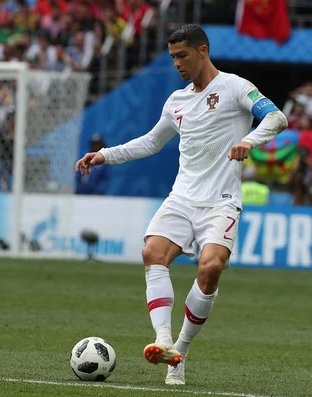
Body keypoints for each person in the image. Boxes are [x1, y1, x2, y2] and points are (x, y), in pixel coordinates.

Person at [75, 24, 288, 385]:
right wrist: (104, 156)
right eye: (172, 57)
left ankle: (180, 352)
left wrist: (249, 141)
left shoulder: (236, 86)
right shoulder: (176, 101)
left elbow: (276, 117)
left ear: (202, 51)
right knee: (152, 253)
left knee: (211, 269)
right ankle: (162, 341)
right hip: (182, 198)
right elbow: (150, 142)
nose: (176, 63)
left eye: (182, 55)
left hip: (221, 202)